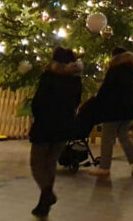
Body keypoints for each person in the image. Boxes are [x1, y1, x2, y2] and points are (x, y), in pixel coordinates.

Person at [28, 46, 82, 217]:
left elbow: (39, 101)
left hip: (45, 125)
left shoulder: (49, 77)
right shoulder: (75, 80)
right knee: (50, 162)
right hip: (64, 125)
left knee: (36, 163)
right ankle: (43, 204)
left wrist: (37, 115)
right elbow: (75, 102)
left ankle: (47, 193)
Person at [89, 47, 133, 177]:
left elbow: (105, 90)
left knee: (107, 138)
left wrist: (97, 104)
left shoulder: (114, 71)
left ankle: (104, 167)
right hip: (128, 111)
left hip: (113, 110)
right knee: (123, 136)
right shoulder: (132, 73)